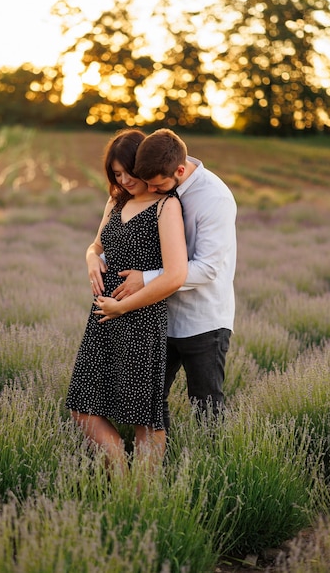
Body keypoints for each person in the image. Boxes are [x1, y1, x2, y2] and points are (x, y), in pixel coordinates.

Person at [65, 129, 187, 474]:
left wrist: (123, 307)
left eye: (127, 172)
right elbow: (96, 246)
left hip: (141, 320)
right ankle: (117, 469)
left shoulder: (166, 206)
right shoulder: (116, 201)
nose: (123, 180)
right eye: (115, 174)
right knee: (82, 403)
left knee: (143, 415)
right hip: (103, 317)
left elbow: (174, 274)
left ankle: (141, 495)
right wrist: (91, 258)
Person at [111, 128, 237, 429]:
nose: (153, 191)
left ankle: (212, 468)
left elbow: (207, 268)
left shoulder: (214, 198)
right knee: (149, 401)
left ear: (180, 170)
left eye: (158, 185)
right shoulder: (162, 185)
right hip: (159, 315)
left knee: (206, 408)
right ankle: (156, 467)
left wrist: (147, 278)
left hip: (203, 320)